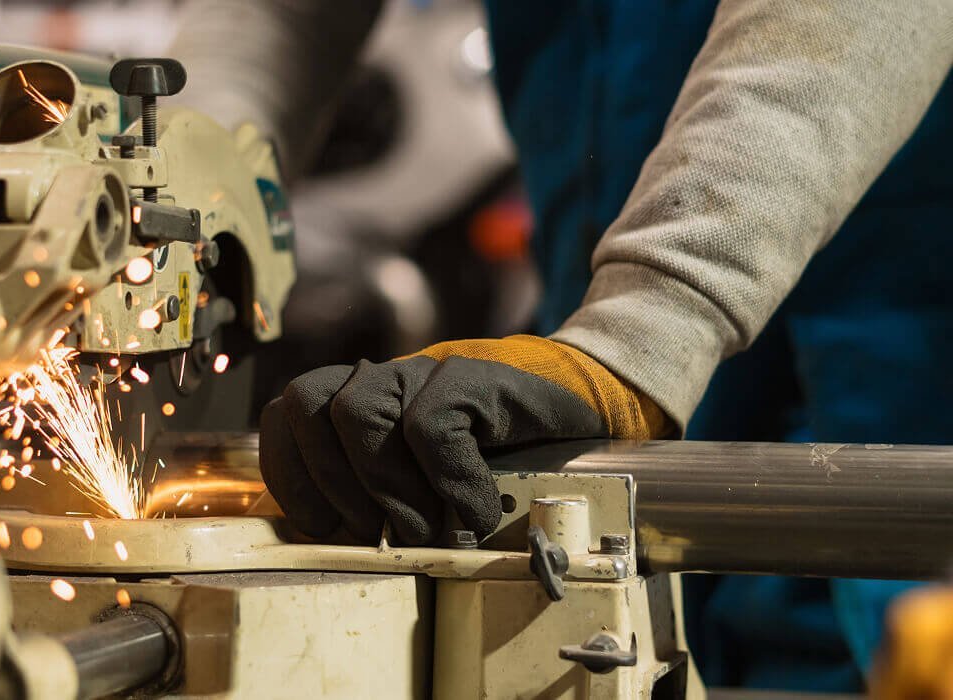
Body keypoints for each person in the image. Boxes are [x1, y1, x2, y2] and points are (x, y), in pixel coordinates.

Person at [169, 0, 953, 690]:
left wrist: (645, 328)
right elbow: (280, 16)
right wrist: (179, 203)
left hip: (886, 385)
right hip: (592, 346)